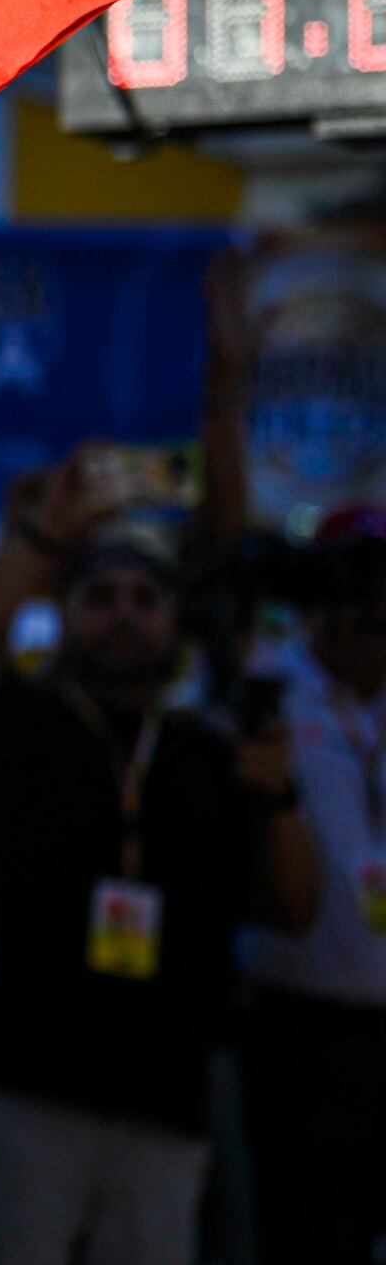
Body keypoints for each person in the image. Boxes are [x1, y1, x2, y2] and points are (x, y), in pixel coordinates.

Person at [0, 454, 319, 1265]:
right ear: (62, 613)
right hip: (20, 1095)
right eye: (99, 597)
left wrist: (278, 798)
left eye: (146, 599)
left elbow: (293, 910)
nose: (123, 614)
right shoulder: (20, 722)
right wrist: (41, 541)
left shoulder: (210, 753)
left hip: (165, 1113)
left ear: (176, 624)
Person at [238, 509, 386, 1265]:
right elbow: (227, 549)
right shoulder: (265, 686)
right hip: (299, 1034)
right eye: (354, 582)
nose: (372, 605)